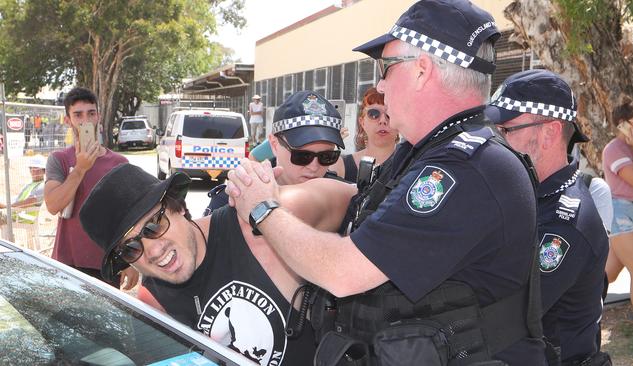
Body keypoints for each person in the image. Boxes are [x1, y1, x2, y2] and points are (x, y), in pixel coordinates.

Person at [226, 1, 545, 364]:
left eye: (386, 67)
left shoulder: (463, 168)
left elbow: (342, 272)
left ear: (422, 70)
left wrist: (263, 208)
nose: (380, 83)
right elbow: (360, 205)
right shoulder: (430, 150)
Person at [79, 163, 354, 365]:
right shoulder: (153, 303)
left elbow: (361, 201)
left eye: (154, 225)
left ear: (179, 206)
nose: (152, 249)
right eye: (130, 248)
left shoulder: (256, 224)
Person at [486, 69, 611, 365]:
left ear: (549, 133)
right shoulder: (528, 194)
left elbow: (507, 311)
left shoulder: (568, 220)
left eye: (506, 130)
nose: (494, 140)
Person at [43, 87, 137, 290]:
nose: (85, 120)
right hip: (67, 263)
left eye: (91, 113)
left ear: (99, 117)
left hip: (106, 265)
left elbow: (127, 217)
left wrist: (129, 259)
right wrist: (80, 169)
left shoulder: (119, 162)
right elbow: (52, 205)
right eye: (78, 114)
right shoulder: (59, 159)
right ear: (67, 120)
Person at [205, 90, 344, 213]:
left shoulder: (345, 200)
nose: (314, 167)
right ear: (274, 144)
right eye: (302, 156)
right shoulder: (236, 198)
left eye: (327, 156)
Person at [602, 97, 633, 342]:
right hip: (620, 216)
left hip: (632, 213)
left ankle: (572, 308)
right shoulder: (614, 150)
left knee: (604, 277)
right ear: (622, 123)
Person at [331, 87, 399, 182]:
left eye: (390, 114)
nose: (383, 120)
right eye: (374, 114)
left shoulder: (414, 164)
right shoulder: (340, 166)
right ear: (362, 122)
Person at [0, 155, 47, 224]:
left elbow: (30, 201)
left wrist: (7, 207)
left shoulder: (42, 186)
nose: (34, 172)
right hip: (17, 213)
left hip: (23, 216)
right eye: (32, 169)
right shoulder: (30, 183)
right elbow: (19, 199)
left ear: (44, 171)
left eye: (38, 170)